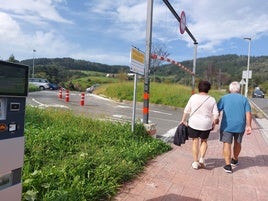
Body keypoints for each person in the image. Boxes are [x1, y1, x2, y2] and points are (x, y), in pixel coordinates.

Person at [180, 81, 219, 170]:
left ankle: (195, 162)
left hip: (194, 123)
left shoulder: (193, 97)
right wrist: (214, 123)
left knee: (195, 141)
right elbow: (215, 114)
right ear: (208, 89)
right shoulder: (212, 99)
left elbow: (187, 110)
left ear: (199, 88)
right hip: (206, 124)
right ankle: (202, 158)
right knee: (204, 141)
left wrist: (183, 120)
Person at [217, 81, 252, 173]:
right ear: (239, 90)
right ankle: (235, 159)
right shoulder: (244, 99)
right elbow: (248, 113)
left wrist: (215, 120)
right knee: (238, 143)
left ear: (229, 89)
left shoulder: (224, 98)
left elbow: (217, 110)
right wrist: (249, 126)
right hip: (240, 125)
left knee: (226, 143)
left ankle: (228, 165)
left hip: (226, 125)